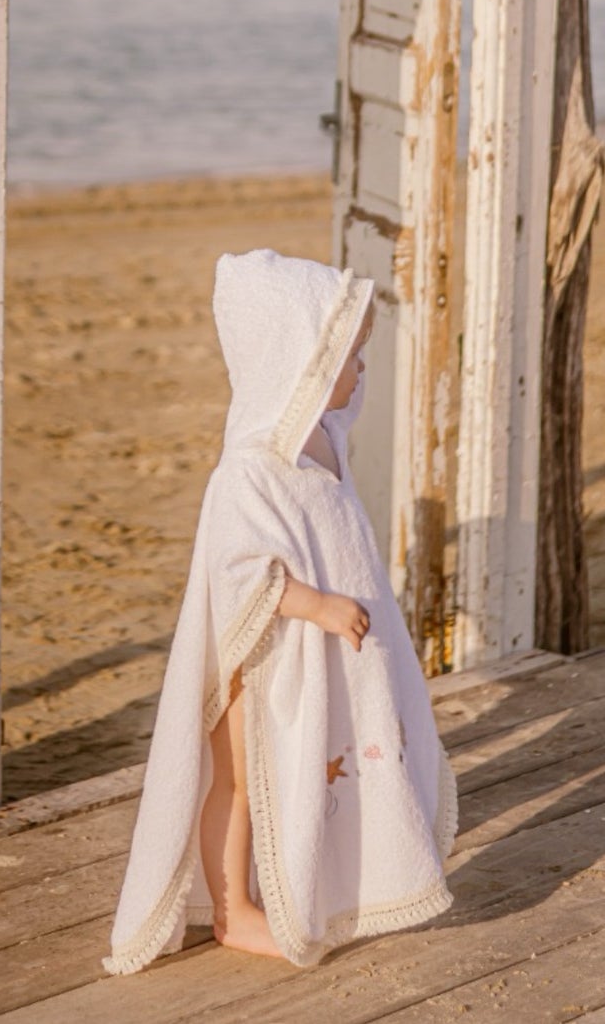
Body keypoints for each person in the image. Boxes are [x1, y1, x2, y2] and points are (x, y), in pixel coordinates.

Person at [102, 247, 457, 975]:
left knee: (306, 771)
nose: (361, 370)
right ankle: (232, 909)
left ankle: (310, 878)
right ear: (297, 362)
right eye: (348, 357)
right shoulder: (248, 472)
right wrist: (318, 606)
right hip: (257, 660)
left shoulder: (321, 447)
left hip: (316, 654)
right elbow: (238, 575)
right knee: (234, 781)